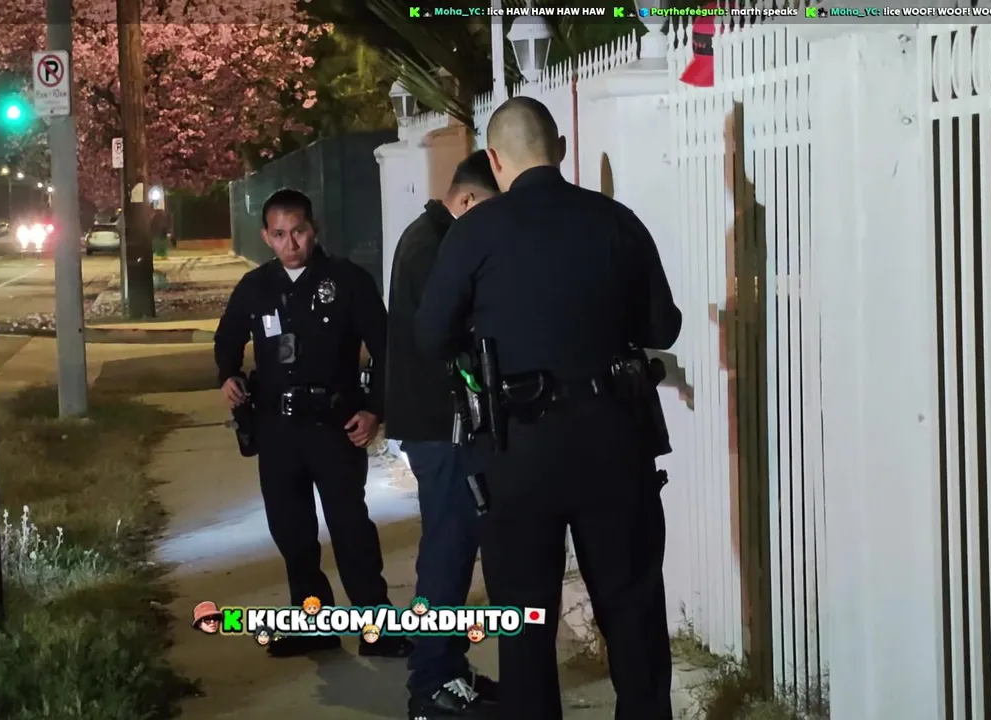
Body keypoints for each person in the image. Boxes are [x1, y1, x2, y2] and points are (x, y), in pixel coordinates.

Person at [415, 97, 683, 720]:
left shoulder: (475, 232)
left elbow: (430, 335)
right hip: (615, 444)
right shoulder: (617, 222)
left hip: (517, 451)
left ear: (493, 159)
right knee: (633, 612)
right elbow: (662, 327)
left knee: (526, 625)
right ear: (560, 149)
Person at [214, 188, 413, 660]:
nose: (291, 243)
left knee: (351, 529)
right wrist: (228, 376)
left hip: (335, 425)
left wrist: (374, 409)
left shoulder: (347, 281)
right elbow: (227, 339)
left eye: (299, 231)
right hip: (277, 428)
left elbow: (388, 349)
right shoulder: (256, 287)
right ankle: (313, 623)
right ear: (266, 236)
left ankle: (376, 627)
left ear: (313, 229)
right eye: (280, 234)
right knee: (292, 532)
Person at [384, 151, 502, 718]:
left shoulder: (429, 235)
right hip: (441, 424)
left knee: (450, 547)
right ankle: (432, 683)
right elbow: (447, 331)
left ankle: (448, 669)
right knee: (448, 553)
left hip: (437, 421)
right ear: (470, 200)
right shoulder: (435, 246)